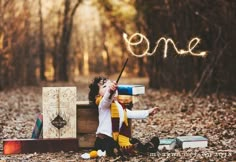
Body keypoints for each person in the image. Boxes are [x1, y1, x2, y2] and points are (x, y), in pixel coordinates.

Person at [88, 76, 159, 157]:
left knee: (133, 141)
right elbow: (107, 99)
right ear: (97, 96)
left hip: (115, 139)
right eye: (104, 86)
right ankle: (114, 151)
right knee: (114, 148)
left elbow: (132, 114)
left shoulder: (119, 106)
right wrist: (110, 90)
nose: (109, 86)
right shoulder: (103, 105)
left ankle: (147, 147)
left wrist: (148, 112)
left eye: (110, 84)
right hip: (104, 140)